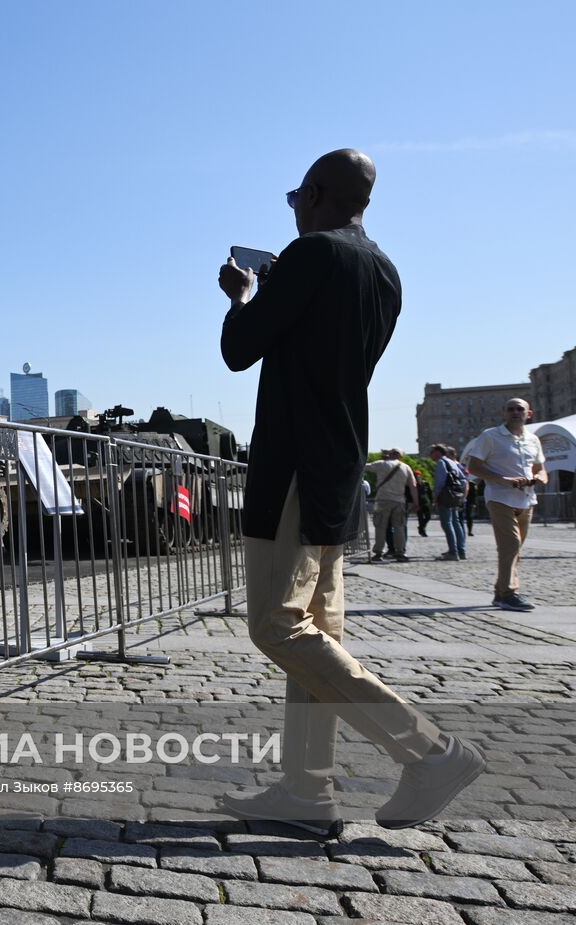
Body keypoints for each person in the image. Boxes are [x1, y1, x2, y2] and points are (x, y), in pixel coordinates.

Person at [214, 149, 483, 837]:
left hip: (294, 462)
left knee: (276, 623)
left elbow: (241, 349)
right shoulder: (385, 271)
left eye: (295, 198)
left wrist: (242, 296)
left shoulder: (311, 254)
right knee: (318, 630)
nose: (294, 210)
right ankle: (307, 791)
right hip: (339, 462)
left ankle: (428, 750)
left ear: (314, 194)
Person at [463, 398, 547, 611]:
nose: (515, 412)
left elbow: (540, 468)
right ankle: (509, 593)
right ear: (504, 413)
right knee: (510, 544)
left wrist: (539, 478)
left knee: (515, 548)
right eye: (510, 409)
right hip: (499, 497)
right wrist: (502, 480)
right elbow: (474, 467)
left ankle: (500, 594)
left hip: (526, 499)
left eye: (520, 409)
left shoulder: (533, 439)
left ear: (529, 414)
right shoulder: (490, 436)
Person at [366, 449, 416, 562]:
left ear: (390, 454)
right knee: (399, 527)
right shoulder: (406, 467)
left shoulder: (381, 464)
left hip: (382, 500)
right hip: (399, 501)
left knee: (380, 526)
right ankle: (400, 552)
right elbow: (413, 485)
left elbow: (365, 466)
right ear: (401, 456)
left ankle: (378, 552)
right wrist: (416, 502)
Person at [430, 443, 468, 560]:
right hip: (455, 495)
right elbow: (463, 480)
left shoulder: (441, 463)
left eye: (432, 452)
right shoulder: (452, 462)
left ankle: (453, 552)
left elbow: (439, 483)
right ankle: (461, 550)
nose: (430, 455)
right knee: (456, 522)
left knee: (447, 523)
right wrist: (461, 495)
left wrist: (435, 497)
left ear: (438, 452)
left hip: (445, 496)